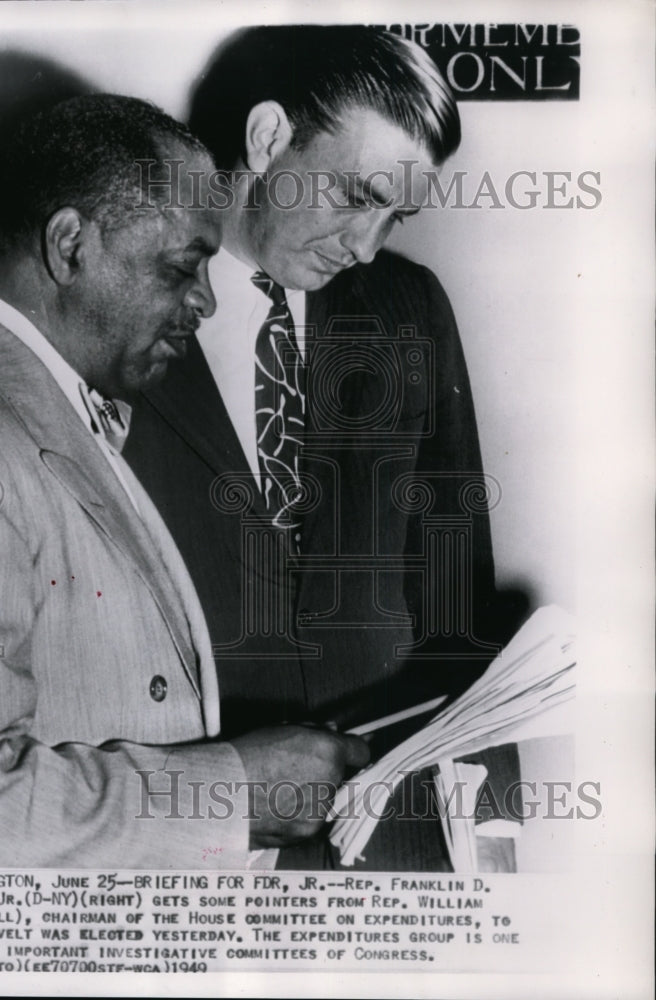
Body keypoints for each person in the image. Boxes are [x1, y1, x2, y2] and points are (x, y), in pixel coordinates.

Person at [0, 93, 368, 869]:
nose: (205, 302)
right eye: (182, 268)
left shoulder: (43, 404)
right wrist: (234, 793)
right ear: (69, 245)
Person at [123, 28, 523, 871]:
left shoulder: (409, 306)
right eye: (354, 194)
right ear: (269, 137)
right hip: (189, 830)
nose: (367, 245)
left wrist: (494, 825)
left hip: (392, 831)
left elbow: (457, 583)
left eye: (395, 214)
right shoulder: (118, 307)